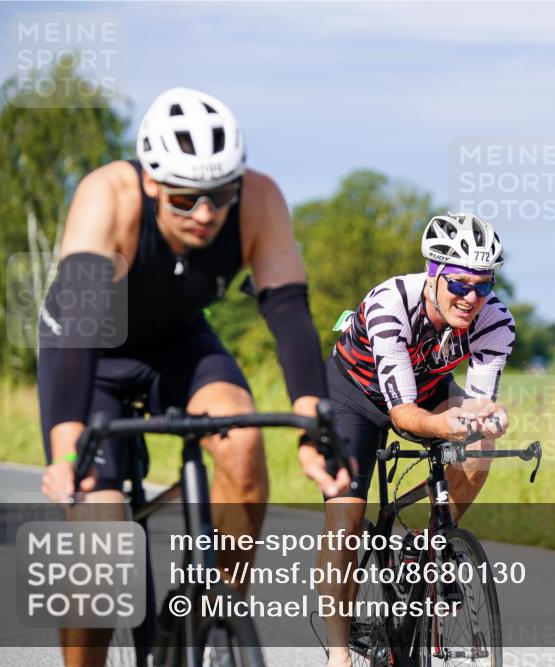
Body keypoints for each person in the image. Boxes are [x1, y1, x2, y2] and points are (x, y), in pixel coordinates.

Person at [36, 87, 349, 666]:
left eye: (217, 195)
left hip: (179, 342)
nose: (204, 214)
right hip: (92, 355)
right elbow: (76, 334)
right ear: (152, 182)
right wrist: (65, 449)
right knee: (100, 550)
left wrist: (313, 425)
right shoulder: (108, 196)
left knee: (244, 447)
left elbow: (287, 311)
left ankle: (206, 625)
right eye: (183, 199)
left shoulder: (258, 199)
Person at [319, 212, 515, 667]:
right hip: (355, 393)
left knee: (479, 444)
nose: (471, 298)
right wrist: (449, 426)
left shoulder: (495, 322)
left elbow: (477, 406)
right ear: (433, 275)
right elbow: (404, 415)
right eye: (461, 284)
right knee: (346, 515)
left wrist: (486, 418)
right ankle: (337, 652)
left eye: (483, 286)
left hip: (427, 388)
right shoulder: (390, 303)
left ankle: (429, 549)